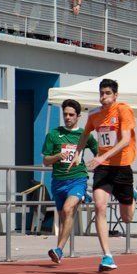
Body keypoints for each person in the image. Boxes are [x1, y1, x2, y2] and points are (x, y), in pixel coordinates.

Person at [69, 78, 137, 272]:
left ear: (115, 95)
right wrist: (78, 152)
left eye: (107, 93)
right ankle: (107, 255)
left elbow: (125, 140)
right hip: (103, 168)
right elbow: (84, 134)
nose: (103, 97)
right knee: (100, 206)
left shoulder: (123, 110)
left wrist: (102, 156)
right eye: (101, 93)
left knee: (127, 218)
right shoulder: (94, 114)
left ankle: (132, 195)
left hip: (122, 166)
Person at [42, 99, 98, 264]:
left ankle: (58, 250)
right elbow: (45, 161)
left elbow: (98, 153)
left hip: (78, 178)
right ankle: (59, 251)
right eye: (65, 114)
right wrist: (58, 156)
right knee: (64, 217)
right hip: (58, 182)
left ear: (78, 116)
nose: (67, 117)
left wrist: (96, 162)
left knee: (68, 210)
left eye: (71, 114)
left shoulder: (84, 134)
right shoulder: (53, 134)